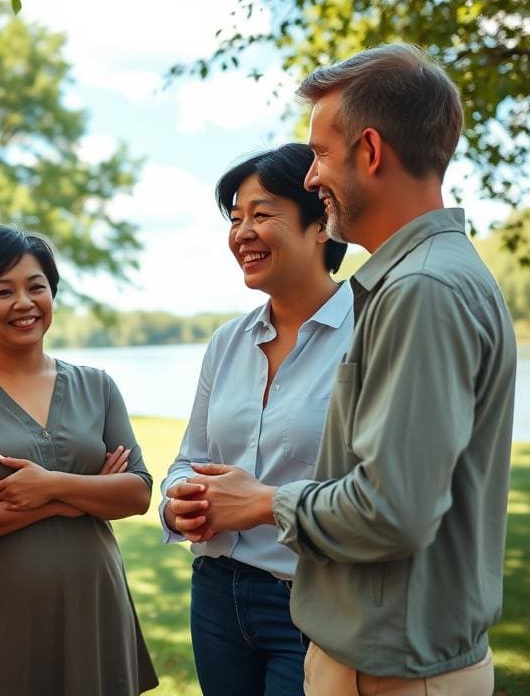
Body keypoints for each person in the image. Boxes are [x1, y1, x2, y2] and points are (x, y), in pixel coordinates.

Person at [189, 44, 516, 695]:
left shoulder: (422, 289)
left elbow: (392, 508)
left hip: (392, 672)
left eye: (320, 154)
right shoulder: (420, 279)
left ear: (369, 151)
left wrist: (260, 503)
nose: (311, 177)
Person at [0, 224, 159, 696]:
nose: (25, 303)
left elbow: (136, 492)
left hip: (94, 604)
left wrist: (51, 485)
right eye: (3, 291)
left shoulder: (98, 385)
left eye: (36, 287)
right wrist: (74, 498)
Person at [160, 143, 350, 695]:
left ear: (320, 224)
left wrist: (260, 503)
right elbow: (187, 461)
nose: (242, 231)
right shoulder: (227, 342)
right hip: (217, 594)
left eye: (262, 214)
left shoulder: (370, 333)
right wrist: (180, 502)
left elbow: (380, 489)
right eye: (236, 218)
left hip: (312, 597)